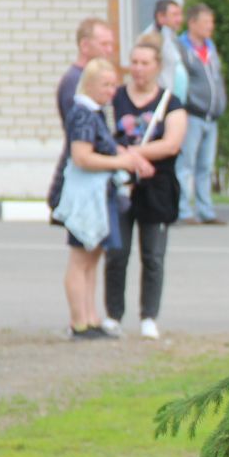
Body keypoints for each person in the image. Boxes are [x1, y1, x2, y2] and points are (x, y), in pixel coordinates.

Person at [55, 59, 153, 339]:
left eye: (113, 85)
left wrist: (130, 158)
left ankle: (91, 317)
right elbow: (82, 156)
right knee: (80, 258)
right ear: (90, 84)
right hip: (85, 197)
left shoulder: (96, 112)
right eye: (105, 84)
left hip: (99, 195)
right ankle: (79, 322)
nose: (111, 91)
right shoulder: (83, 113)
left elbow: (109, 148)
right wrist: (121, 163)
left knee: (92, 256)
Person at [104, 35, 189, 339]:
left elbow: (171, 144)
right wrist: (127, 159)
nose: (138, 69)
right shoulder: (115, 98)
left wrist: (132, 155)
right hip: (121, 186)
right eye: (134, 63)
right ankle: (113, 315)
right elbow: (103, 137)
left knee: (153, 256)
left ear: (157, 67)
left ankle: (149, 316)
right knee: (117, 253)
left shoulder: (171, 102)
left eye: (144, 63)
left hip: (157, 187)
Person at [50, 18, 115, 210]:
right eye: (104, 44)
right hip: (79, 177)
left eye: (111, 44)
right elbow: (82, 138)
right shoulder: (75, 82)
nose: (109, 50)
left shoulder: (91, 78)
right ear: (85, 45)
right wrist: (119, 159)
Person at [176, 1, 226, 224]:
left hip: (211, 117)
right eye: (206, 22)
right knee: (186, 164)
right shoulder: (182, 47)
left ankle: (206, 211)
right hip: (192, 115)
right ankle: (184, 210)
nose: (210, 26)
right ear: (192, 22)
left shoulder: (211, 47)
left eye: (211, 22)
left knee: (205, 166)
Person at [146, 0, 189, 108]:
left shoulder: (171, 37)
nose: (180, 19)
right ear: (161, 17)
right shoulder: (151, 39)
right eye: (175, 15)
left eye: (180, 15)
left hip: (173, 101)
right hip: (159, 103)